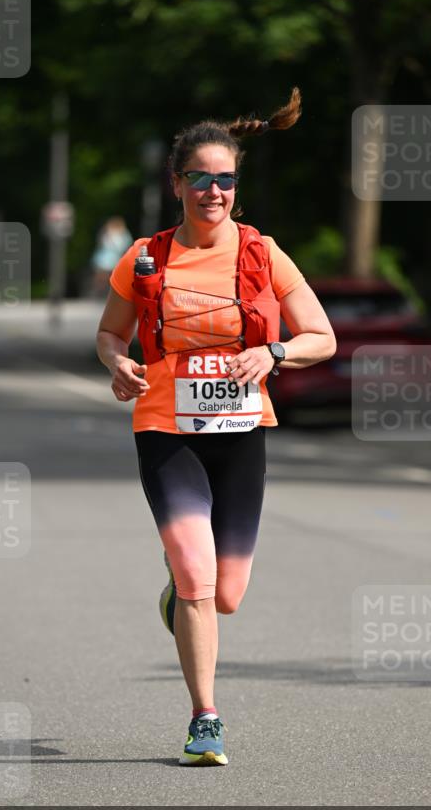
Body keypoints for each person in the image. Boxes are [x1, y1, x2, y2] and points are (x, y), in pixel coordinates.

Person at [96, 88, 336, 766]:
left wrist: (275, 350)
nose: (213, 191)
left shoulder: (261, 254)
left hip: (239, 431)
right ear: (177, 184)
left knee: (223, 595)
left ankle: (182, 593)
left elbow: (321, 335)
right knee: (198, 571)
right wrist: (118, 365)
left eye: (224, 179)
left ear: (236, 185)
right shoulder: (146, 256)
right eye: (199, 178)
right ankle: (205, 717)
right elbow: (110, 335)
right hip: (165, 428)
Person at [92, 216, 133, 296]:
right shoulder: (106, 233)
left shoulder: (123, 234)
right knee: (102, 277)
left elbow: (124, 246)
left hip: (114, 258)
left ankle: (106, 292)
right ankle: (100, 292)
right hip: (105, 258)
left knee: (112, 277)